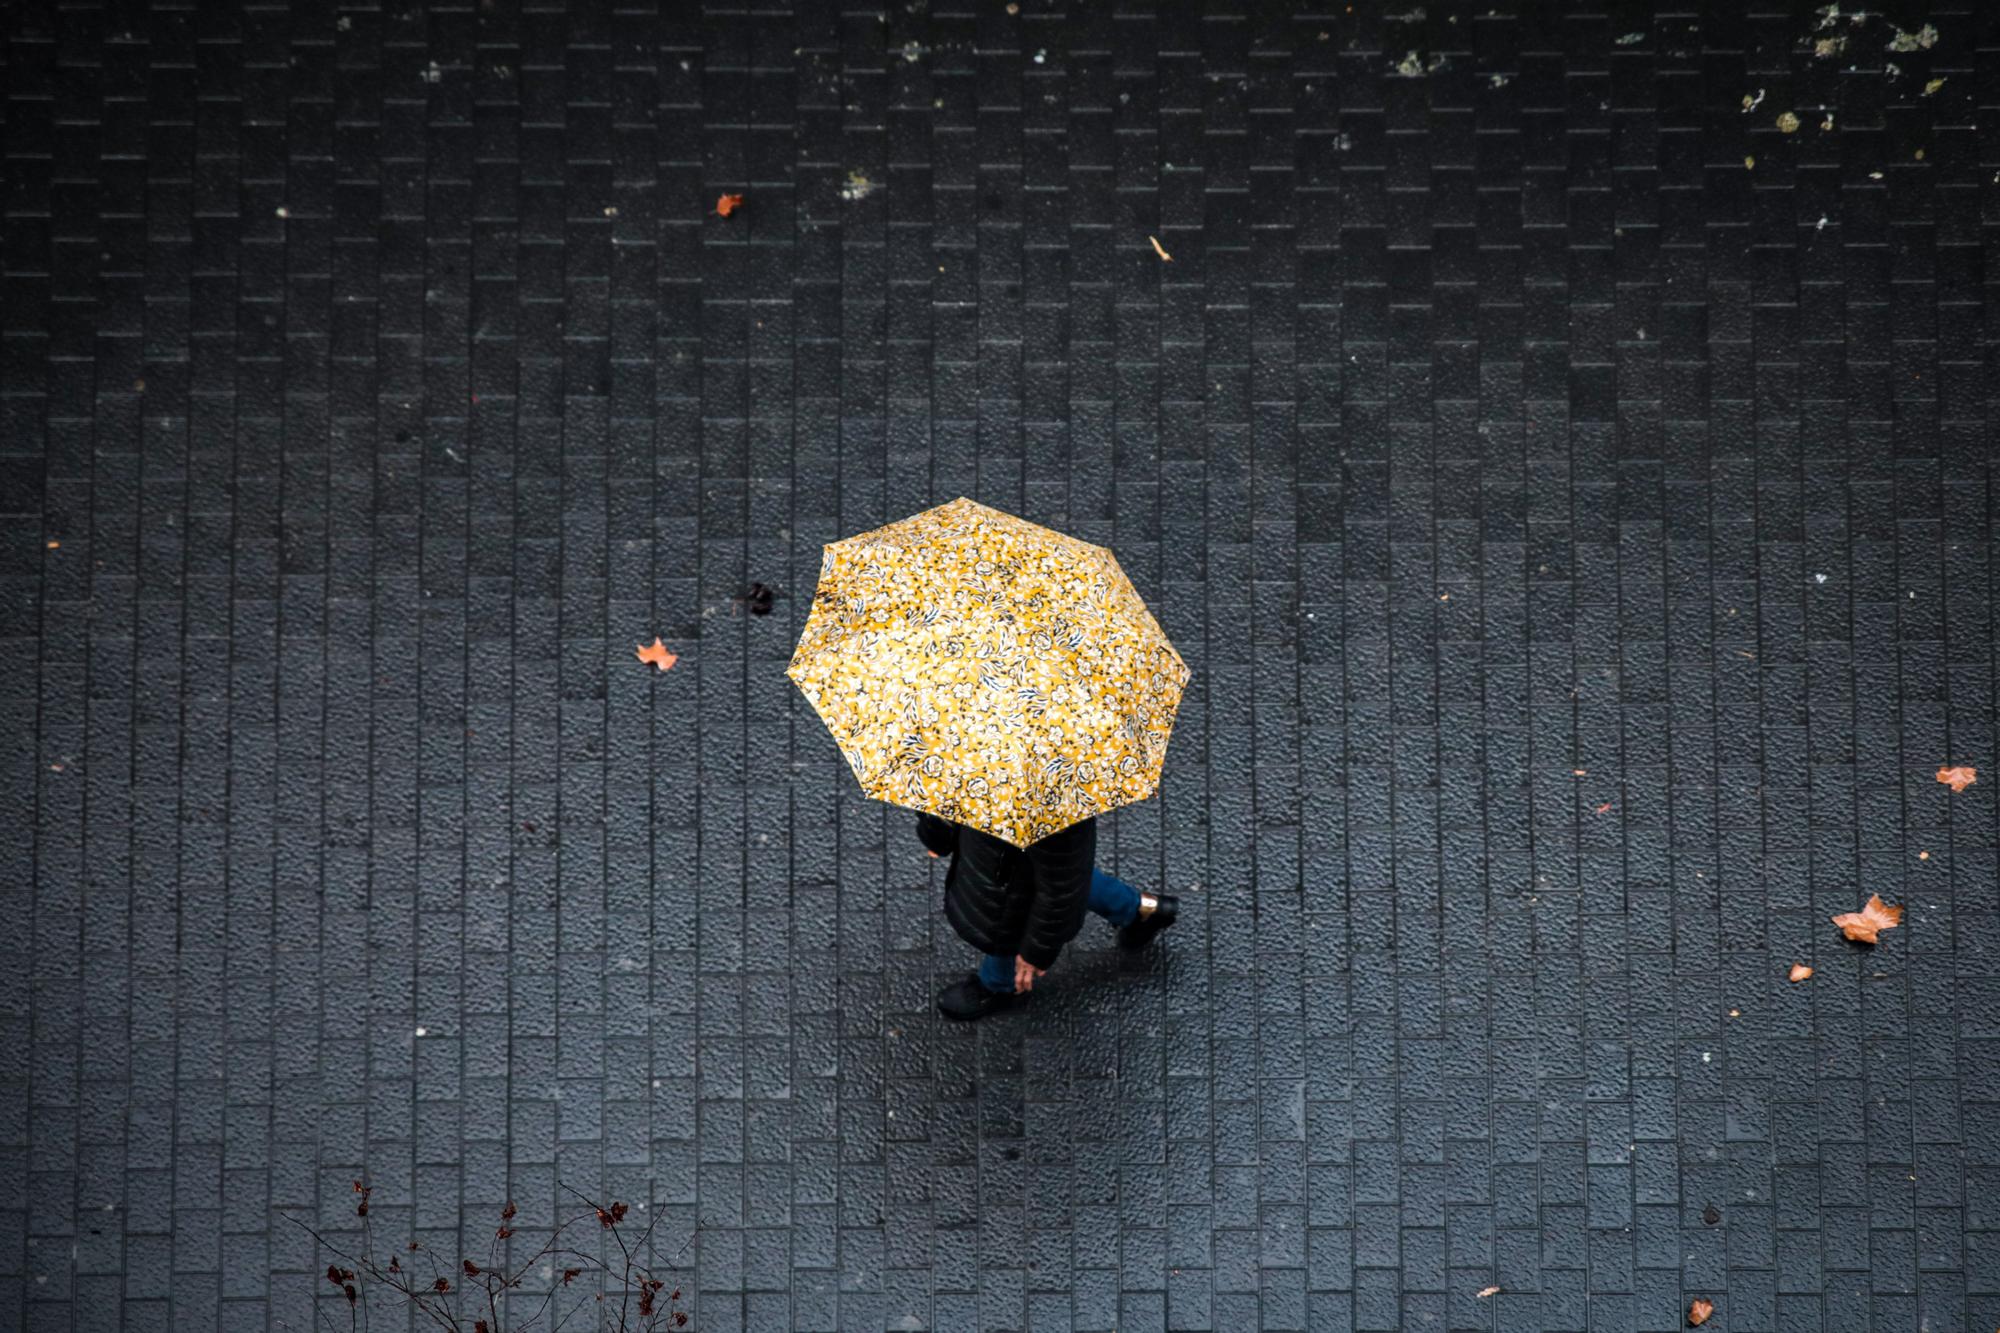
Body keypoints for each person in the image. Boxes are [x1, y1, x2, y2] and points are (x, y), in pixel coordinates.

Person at [915, 811, 1178, 1021]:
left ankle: (999, 984)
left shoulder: (1052, 810)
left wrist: (1034, 953)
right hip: (994, 858)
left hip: (1009, 879)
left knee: (1007, 917)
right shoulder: (971, 757)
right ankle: (1138, 910)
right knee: (1035, 892)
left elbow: (1061, 889)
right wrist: (937, 828)